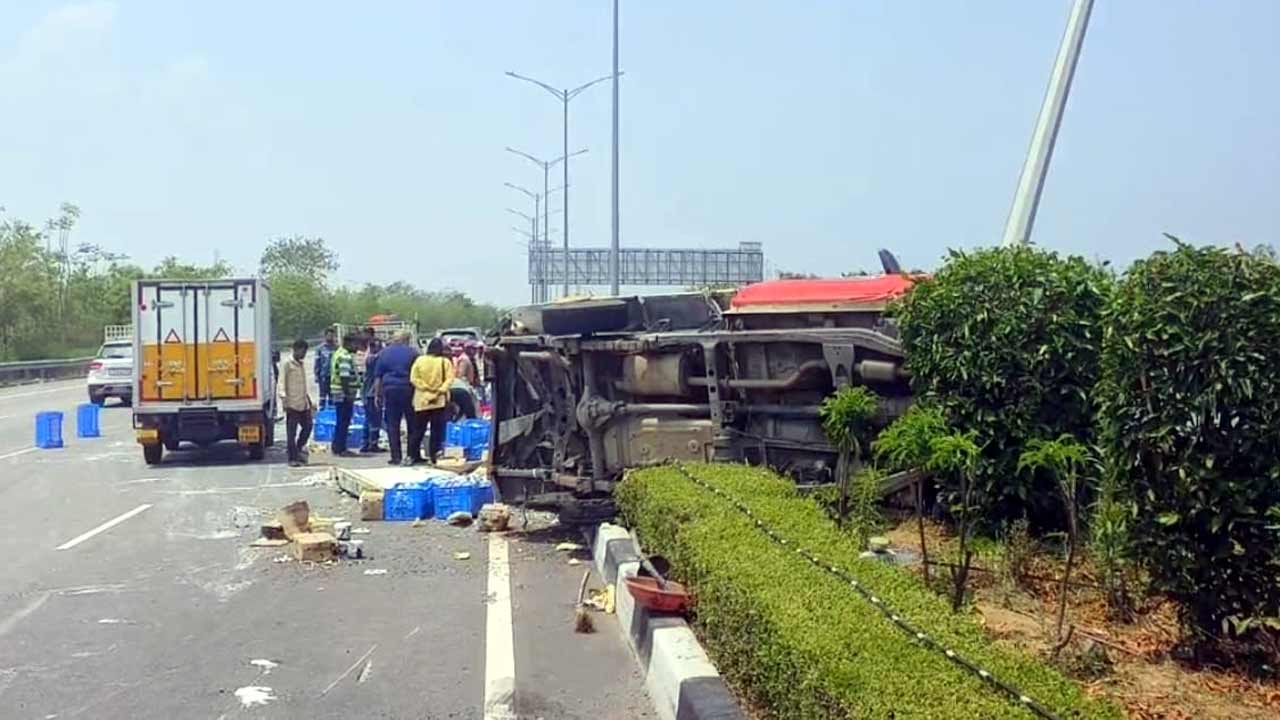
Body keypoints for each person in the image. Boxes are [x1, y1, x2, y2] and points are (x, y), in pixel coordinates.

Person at [374, 330, 419, 465]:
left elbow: (378, 376)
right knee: (412, 423)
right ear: (407, 339)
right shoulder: (413, 353)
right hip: (408, 389)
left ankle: (396, 456)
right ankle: (412, 455)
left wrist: (377, 394)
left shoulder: (384, 353)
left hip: (390, 390)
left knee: (392, 424)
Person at [409, 337, 454, 465]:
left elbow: (413, 378)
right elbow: (450, 379)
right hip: (438, 401)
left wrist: (426, 388)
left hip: (422, 400)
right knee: (437, 430)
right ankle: (434, 456)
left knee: (418, 429)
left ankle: (413, 455)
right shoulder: (445, 362)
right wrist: (439, 390)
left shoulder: (419, 360)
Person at [281, 338, 313, 467]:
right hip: (292, 403)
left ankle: (299, 448)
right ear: (296, 349)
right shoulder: (287, 364)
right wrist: (284, 401)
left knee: (308, 426)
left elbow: (304, 385)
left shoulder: (301, 364)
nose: (304, 354)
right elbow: (282, 383)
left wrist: (309, 401)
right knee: (291, 433)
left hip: (303, 402)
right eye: (302, 351)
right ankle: (292, 458)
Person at [329, 333, 361, 457]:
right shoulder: (345, 356)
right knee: (344, 421)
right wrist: (348, 393)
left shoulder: (338, 353)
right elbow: (344, 377)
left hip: (338, 392)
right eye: (356, 344)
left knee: (341, 420)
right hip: (343, 393)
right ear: (349, 343)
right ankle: (340, 448)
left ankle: (337, 446)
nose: (357, 347)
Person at [360, 336, 385, 453]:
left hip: (368, 393)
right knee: (374, 419)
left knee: (369, 419)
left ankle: (367, 443)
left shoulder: (370, 357)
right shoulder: (373, 359)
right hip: (372, 393)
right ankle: (372, 444)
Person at [314, 326, 337, 407]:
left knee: (332, 396)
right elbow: (317, 362)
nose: (331, 337)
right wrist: (316, 375)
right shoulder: (320, 349)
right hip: (323, 375)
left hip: (334, 376)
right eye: (329, 335)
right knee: (322, 396)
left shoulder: (336, 348)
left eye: (332, 335)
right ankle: (322, 411)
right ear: (325, 336)